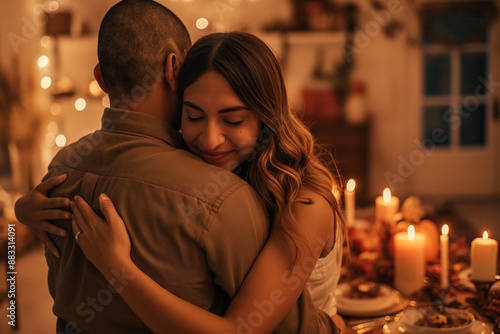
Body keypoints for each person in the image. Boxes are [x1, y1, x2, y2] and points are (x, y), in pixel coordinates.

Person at [14, 1, 343, 333]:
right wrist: (22, 209)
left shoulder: (305, 205)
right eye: (194, 115)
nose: (210, 139)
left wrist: (118, 268)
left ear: (268, 117)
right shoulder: (201, 178)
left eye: (233, 119)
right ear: (175, 80)